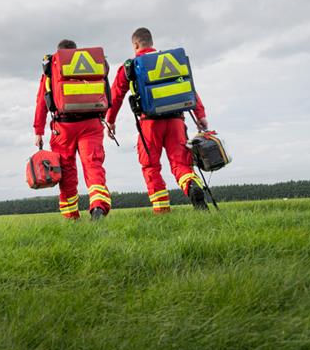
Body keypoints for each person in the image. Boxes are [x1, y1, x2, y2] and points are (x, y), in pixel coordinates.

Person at [106, 28, 210, 213]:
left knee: (150, 165)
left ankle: (162, 209)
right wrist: (200, 116)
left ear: (136, 44)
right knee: (181, 163)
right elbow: (189, 87)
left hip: (150, 124)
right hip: (176, 121)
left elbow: (116, 96)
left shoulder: (130, 66)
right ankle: (192, 186)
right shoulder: (170, 61)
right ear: (151, 43)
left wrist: (110, 121)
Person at [34, 39, 113, 221]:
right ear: (75, 52)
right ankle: (98, 205)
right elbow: (106, 94)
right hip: (92, 124)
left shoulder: (52, 67)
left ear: (59, 53)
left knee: (67, 171)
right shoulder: (92, 65)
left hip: (63, 127)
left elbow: (41, 101)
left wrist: (38, 131)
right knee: (93, 165)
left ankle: (71, 216)